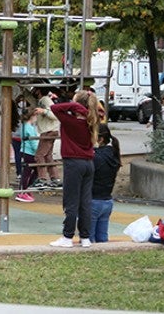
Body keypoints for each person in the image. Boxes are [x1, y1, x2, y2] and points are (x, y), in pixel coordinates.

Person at [48, 91, 99, 248]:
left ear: (78, 104)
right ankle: (85, 237)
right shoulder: (92, 120)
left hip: (73, 163)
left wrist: (74, 105)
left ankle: (67, 236)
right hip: (88, 163)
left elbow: (55, 108)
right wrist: (81, 107)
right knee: (85, 201)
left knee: (71, 201)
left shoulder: (70, 120)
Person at [91, 123, 121, 243]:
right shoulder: (114, 154)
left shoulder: (96, 157)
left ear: (100, 139)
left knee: (88, 239)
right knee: (103, 238)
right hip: (107, 200)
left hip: (93, 200)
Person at [32, 88, 62, 189]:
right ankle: (55, 178)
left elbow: (55, 114)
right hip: (49, 130)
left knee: (39, 155)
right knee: (48, 156)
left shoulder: (45, 100)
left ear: (38, 91)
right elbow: (32, 100)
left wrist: (44, 111)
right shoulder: (41, 100)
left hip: (48, 131)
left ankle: (42, 179)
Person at [17, 109, 40, 202]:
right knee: (29, 172)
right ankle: (23, 191)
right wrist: (38, 151)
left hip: (26, 151)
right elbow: (33, 141)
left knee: (32, 171)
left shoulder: (25, 126)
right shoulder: (29, 127)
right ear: (32, 117)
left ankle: (26, 189)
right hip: (29, 152)